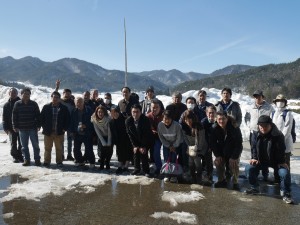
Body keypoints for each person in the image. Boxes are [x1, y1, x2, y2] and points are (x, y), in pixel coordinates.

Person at [245, 115, 293, 204]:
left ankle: (286, 193)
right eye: (261, 126)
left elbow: (281, 150)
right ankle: (255, 187)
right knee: (249, 168)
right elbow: (254, 147)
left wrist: (282, 162)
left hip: (276, 161)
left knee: (284, 173)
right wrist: (254, 158)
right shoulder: (255, 134)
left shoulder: (278, 135)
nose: (263, 128)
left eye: (265, 126)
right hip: (261, 161)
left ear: (270, 125)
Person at [244, 90, 273, 180]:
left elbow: (271, 119)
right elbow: (247, 117)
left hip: (264, 133)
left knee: (264, 152)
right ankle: (254, 172)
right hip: (254, 132)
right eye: (255, 96)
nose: (257, 98)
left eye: (259, 96)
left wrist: (269, 129)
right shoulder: (251, 107)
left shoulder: (269, 107)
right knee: (254, 150)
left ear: (262, 97)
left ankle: (265, 173)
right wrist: (249, 126)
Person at [210, 111, 243, 190]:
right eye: (219, 119)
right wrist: (217, 155)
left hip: (232, 151)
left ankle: (235, 181)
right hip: (221, 152)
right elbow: (213, 143)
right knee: (218, 162)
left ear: (227, 118)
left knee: (234, 163)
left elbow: (239, 144)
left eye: (223, 119)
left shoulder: (234, 127)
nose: (221, 121)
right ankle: (221, 179)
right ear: (216, 119)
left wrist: (234, 157)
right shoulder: (214, 128)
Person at [12, 88, 41, 166]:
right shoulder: (17, 104)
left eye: (28, 94)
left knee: (35, 145)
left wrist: (38, 125)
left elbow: (38, 115)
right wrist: (15, 126)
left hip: (32, 128)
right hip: (22, 128)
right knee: (24, 146)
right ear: (21, 94)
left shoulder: (34, 104)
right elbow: (14, 116)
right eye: (24, 93)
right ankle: (26, 160)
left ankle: (37, 159)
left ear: (30, 95)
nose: (26, 95)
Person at [40, 91, 70, 167]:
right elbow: (41, 119)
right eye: (54, 97)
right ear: (51, 98)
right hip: (48, 132)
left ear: (59, 99)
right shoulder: (46, 107)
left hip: (59, 132)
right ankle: (46, 161)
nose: (55, 99)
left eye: (57, 97)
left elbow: (68, 120)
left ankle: (59, 162)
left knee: (59, 148)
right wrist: (44, 127)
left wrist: (64, 129)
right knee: (47, 148)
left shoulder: (64, 108)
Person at [125, 104, 154, 176]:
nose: (135, 114)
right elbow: (129, 134)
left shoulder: (145, 120)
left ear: (141, 112)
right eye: (133, 112)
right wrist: (135, 146)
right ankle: (137, 169)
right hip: (135, 140)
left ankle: (146, 170)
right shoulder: (128, 121)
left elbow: (146, 134)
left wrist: (143, 146)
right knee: (136, 151)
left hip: (146, 140)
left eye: (137, 112)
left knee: (143, 152)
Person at [182, 110, 207, 184]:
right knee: (190, 163)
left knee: (197, 162)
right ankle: (193, 177)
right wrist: (190, 147)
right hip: (191, 147)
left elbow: (202, 140)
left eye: (190, 119)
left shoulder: (199, 126)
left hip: (200, 146)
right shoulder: (184, 127)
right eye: (186, 119)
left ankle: (199, 177)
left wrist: (197, 149)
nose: (188, 121)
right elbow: (185, 139)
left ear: (193, 118)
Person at [69, 96, 95, 168]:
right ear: (75, 103)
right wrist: (71, 131)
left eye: (80, 102)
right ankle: (79, 161)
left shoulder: (89, 110)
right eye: (77, 102)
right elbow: (71, 122)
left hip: (87, 133)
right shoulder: (74, 111)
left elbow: (93, 121)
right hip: (77, 133)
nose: (78, 103)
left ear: (83, 102)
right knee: (76, 149)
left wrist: (86, 125)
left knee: (89, 149)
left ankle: (92, 162)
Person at [272, 94, 294, 171]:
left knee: (285, 163)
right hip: (275, 142)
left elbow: (287, 129)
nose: (280, 102)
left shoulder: (288, 113)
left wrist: (280, 141)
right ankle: (277, 179)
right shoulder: (273, 113)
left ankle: (286, 181)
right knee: (276, 162)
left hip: (285, 142)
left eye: (282, 101)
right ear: (275, 102)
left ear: (285, 102)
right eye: (278, 101)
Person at [55, 80, 75, 161]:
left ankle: (69, 155)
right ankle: (62, 154)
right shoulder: (61, 101)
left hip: (70, 123)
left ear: (70, 94)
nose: (67, 95)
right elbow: (55, 95)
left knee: (69, 140)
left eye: (68, 94)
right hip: (62, 123)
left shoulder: (73, 102)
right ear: (63, 94)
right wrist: (57, 87)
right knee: (61, 140)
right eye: (65, 94)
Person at [2, 87, 23, 163]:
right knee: (13, 143)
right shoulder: (6, 105)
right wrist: (5, 128)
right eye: (11, 92)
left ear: (17, 94)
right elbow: (4, 117)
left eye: (14, 92)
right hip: (11, 128)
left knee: (21, 143)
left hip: (21, 127)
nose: (13, 94)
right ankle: (15, 156)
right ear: (9, 94)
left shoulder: (21, 103)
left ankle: (20, 156)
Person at [110, 107, 133, 174]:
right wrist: (114, 141)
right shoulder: (111, 122)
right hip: (118, 139)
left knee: (128, 152)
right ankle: (120, 166)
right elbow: (112, 132)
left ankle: (126, 166)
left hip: (127, 138)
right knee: (119, 152)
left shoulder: (124, 119)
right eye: (113, 113)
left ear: (119, 112)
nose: (115, 114)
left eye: (116, 112)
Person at [91, 106, 113, 170]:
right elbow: (97, 131)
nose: (100, 114)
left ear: (104, 113)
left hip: (109, 135)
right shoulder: (94, 119)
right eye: (99, 112)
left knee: (109, 150)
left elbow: (109, 131)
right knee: (101, 150)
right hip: (101, 136)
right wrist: (103, 141)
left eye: (102, 112)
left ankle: (108, 163)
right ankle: (102, 163)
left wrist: (109, 141)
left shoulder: (108, 119)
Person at [146, 99, 164, 175]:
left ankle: (167, 168)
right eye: (153, 107)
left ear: (160, 108)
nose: (155, 109)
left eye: (157, 107)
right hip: (154, 137)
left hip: (165, 137)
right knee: (156, 151)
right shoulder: (148, 116)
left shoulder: (164, 116)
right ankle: (158, 167)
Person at [201, 105, 217, 182]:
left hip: (216, 143)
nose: (211, 114)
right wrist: (208, 146)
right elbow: (202, 136)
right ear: (207, 113)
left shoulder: (218, 121)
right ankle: (207, 176)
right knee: (207, 160)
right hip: (206, 144)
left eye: (213, 113)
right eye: (209, 113)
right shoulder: (204, 122)